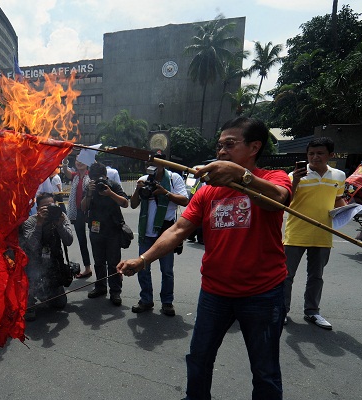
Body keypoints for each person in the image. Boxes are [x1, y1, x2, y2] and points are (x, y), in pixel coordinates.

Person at [118, 117, 291, 400]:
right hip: (215, 292)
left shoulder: (274, 178)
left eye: (230, 145)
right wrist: (143, 259)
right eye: (219, 145)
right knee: (199, 358)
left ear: (254, 147)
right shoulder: (207, 190)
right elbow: (179, 229)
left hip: (262, 293)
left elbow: (279, 198)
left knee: (265, 370)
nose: (221, 151)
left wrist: (241, 176)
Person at [283, 137, 346, 330]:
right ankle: (281, 310)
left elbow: (338, 200)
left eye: (320, 153)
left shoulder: (339, 176)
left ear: (331, 155)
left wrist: (349, 210)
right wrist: (295, 180)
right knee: (286, 275)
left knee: (316, 276)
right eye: (311, 153)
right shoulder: (294, 175)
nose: (315, 157)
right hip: (296, 232)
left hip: (323, 233)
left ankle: (312, 311)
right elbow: (285, 199)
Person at [129, 150, 188, 316]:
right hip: (146, 233)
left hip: (165, 233)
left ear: (163, 164)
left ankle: (167, 302)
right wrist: (138, 190)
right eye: (149, 163)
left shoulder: (174, 178)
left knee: (167, 270)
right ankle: (146, 300)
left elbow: (185, 200)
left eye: (155, 162)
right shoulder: (143, 179)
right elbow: (133, 205)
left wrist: (165, 193)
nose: (152, 166)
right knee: (143, 269)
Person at [19, 192, 74, 321]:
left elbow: (68, 241)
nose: (49, 209)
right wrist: (39, 224)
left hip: (53, 263)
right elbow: (32, 245)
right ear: (38, 209)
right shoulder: (30, 221)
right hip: (33, 264)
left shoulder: (60, 217)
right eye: (45, 206)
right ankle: (29, 300)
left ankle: (45, 293)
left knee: (60, 304)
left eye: (51, 205)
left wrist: (59, 225)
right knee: (30, 277)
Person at [83, 162, 129, 305]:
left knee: (114, 263)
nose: (98, 181)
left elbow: (125, 203)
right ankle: (100, 287)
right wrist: (89, 193)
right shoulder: (90, 188)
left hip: (113, 229)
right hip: (96, 229)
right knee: (98, 262)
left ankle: (115, 291)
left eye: (99, 177)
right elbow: (83, 207)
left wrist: (110, 193)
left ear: (105, 176)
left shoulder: (113, 185)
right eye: (94, 178)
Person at [62, 156, 92, 278]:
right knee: (82, 240)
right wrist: (65, 161)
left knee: (95, 240)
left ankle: (101, 268)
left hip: (91, 211)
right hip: (78, 212)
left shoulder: (91, 175)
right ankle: (87, 268)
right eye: (77, 161)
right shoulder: (75, 176)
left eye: (82, 160)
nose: (79, 163)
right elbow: (66, 172)